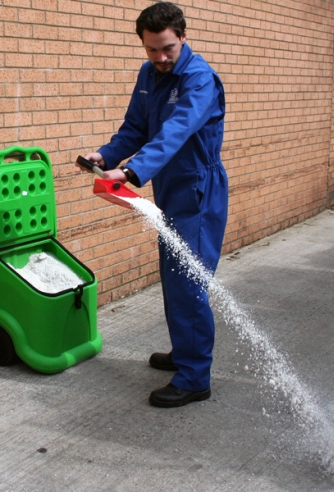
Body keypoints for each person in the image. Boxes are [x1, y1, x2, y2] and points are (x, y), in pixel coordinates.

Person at [77, 1, 228, 408]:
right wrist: (106, 157)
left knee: (188, 283)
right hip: (168, 187)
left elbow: (176, 132)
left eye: (167, 49)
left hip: (198, 189)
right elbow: (136, 128)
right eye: (151, 50)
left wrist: (130, 172)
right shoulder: (150, 74)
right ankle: (185, 352)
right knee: (174, 275)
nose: (160, 58)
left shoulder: (199, 79)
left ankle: (195, 377)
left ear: (182, 36)